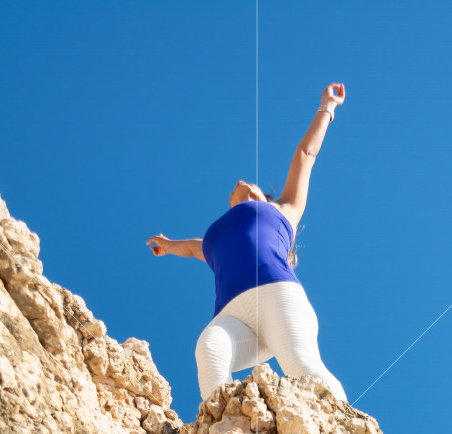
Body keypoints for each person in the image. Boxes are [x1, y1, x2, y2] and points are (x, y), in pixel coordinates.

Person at [147, 83, 348, 404]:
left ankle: (344, 429)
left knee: (302, 366)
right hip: (233, 316)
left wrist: (328, 107)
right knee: (208, 350)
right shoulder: (214, 237)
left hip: (278, 296)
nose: (241, 182)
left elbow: (305, 155)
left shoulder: (283, 210)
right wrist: (168, 245)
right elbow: (193, 248)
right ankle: (225, 427)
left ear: (263, 197)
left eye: (251, 184)